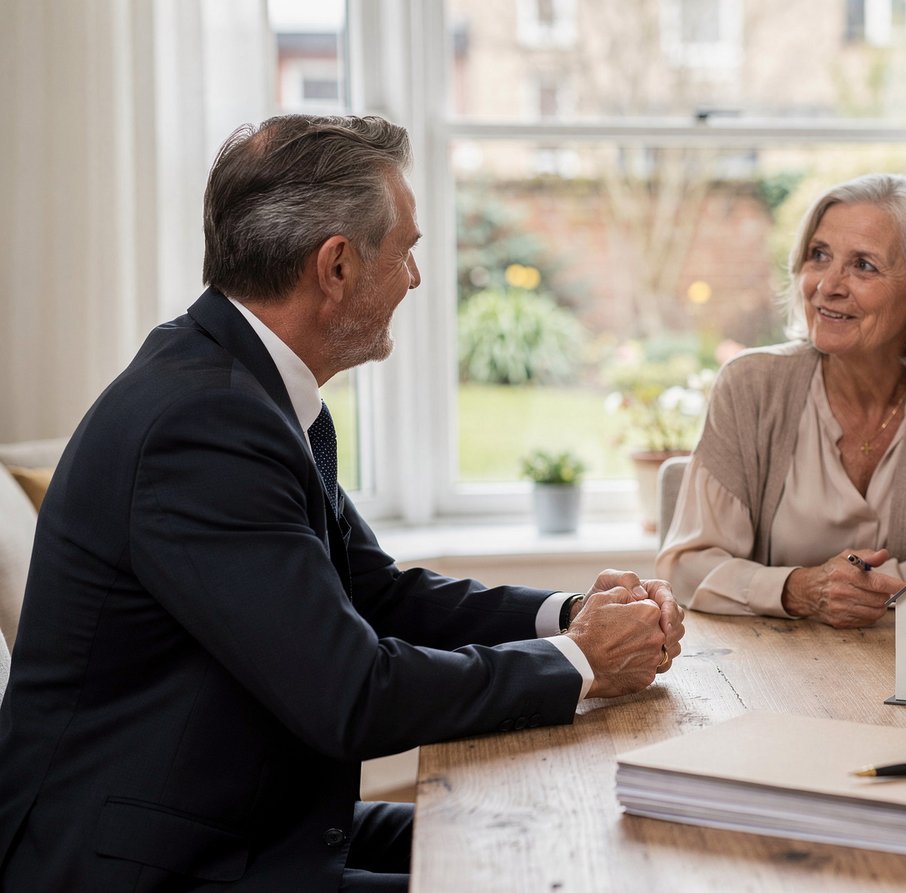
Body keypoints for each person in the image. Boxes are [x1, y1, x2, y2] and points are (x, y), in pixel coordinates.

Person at [0, 115, 686, 891]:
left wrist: (567, 615)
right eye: (408, 251)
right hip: (146, 862)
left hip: (239, 822)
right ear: (336, 266)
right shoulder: (203, 424)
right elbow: (352, 693)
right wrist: (584, 661)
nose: (416, 278)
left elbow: (378, 593)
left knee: (557, 834)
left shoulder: (244, 386)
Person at [657, 174, 906, 629]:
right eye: (819, 256)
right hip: (772, 674)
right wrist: (798, 589)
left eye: (864, 266)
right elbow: (686, 568)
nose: (827, 285)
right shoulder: (751, 384)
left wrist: (865, 588)